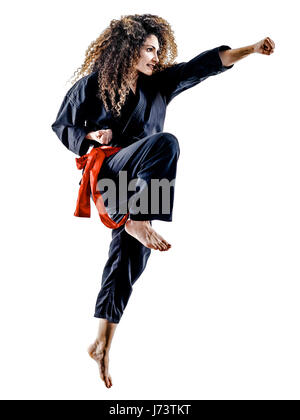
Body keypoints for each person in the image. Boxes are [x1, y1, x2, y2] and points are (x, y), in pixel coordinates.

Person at [51, 14, 275, 388]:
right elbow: (62, 126)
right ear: (127, 50)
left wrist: (250, 49)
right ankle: (137, 220)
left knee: (128, 259)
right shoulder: (92, 85)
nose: (156, 57)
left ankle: (102, 343)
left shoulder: (159, 85)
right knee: (166, 142)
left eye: (158, 50)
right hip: (110, 173)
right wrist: (91, 136)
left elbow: (201, 66)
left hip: (143, 184)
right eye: (149, 50)